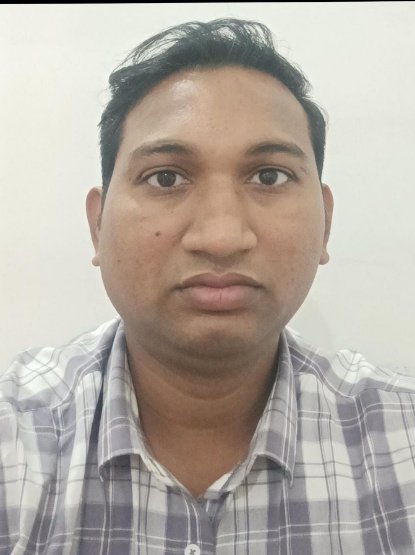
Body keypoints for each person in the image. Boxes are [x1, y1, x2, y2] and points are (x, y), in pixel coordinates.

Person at [1, 17, 414, 555]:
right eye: (166, 177)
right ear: (97, 225)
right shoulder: (16, 441)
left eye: (269, 176)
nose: (221, 238)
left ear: (326, 223)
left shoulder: (402, 438)